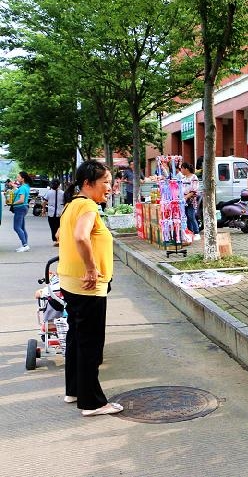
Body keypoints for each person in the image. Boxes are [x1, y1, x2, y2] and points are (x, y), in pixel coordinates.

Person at [58, 160, 123, 416]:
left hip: (70, 282)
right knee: (90, 343)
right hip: (87, 285)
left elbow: (61, 238)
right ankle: (93, 402)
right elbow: (80, 237)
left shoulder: (71, 205)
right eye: (105, 182)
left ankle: (74, 390)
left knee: (76, 338)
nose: (109, 187)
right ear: (88, 183)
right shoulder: (87, 205)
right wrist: (91, 267)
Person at [11, 171, 32, 252]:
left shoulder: (23, 188)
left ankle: (25, 245)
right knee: (22, 227)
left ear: (23, 179)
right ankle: (25, 244)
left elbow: (21, 200)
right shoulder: (25, 186)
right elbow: (18, 192)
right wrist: (14, 187)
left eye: (18, 177)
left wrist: (12, 204)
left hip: (20, 208)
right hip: (23, 208)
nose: (17, 178)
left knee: (16, 227)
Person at [179, 162, 201, 241]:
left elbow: (194, 190)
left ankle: (196, 233)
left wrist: (185, 197)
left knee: (191, 216)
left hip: (191, 200)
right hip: (183, 200)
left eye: (182, 168)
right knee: (186, 217)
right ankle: (189, 232)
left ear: (186, 169)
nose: (181, 170)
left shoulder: (194, 177)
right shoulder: (183, 178)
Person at [43, 179, 65, 246]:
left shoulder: (49, 192)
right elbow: (65, 203)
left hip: (51, 214)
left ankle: (55, 240)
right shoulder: (63, 193)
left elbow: (44, 202)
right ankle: (59, 240)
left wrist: (43, 209)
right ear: (59, 185)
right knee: (60, 227)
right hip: (60, 213)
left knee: (53, 228)